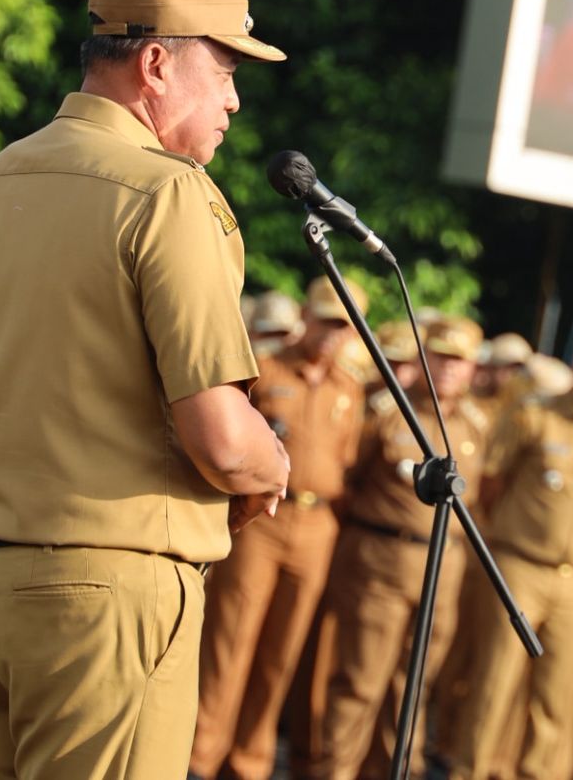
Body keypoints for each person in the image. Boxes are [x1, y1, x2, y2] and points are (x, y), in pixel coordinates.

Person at [0, 0, 292, 779]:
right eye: (225, 69)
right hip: (103, 590)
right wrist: (272, 461)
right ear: (157, 63)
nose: (234, 99)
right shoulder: (166, 195)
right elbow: (223, 442)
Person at [446, 320, 573, 780]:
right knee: (494, 683)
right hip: (521, 566)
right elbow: (492, 486)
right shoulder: (533, 413)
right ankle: (468, 771)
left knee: (560, 694)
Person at [189, 276, 368, 780]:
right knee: (230, 641)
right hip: (261, 519)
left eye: (344, 326)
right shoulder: (265, 368)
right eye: (327, 321)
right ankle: (201, 758)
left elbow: (348, 462)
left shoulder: (350, 389)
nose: (333, 334)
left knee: (281, 654)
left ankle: (250, 761)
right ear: (305, 317)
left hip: (317, 525)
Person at [318, 317, 487, 780]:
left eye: (460, 361)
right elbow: (347, 478)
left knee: (412, 687)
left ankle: (393, 771)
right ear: (423, 359)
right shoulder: (387, 410)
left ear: (473, 369)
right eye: (441, 357)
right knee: (360, 681)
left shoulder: (476, 424)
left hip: (442, 566)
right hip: (380, 559)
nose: (449, 370)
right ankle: (335, 772)